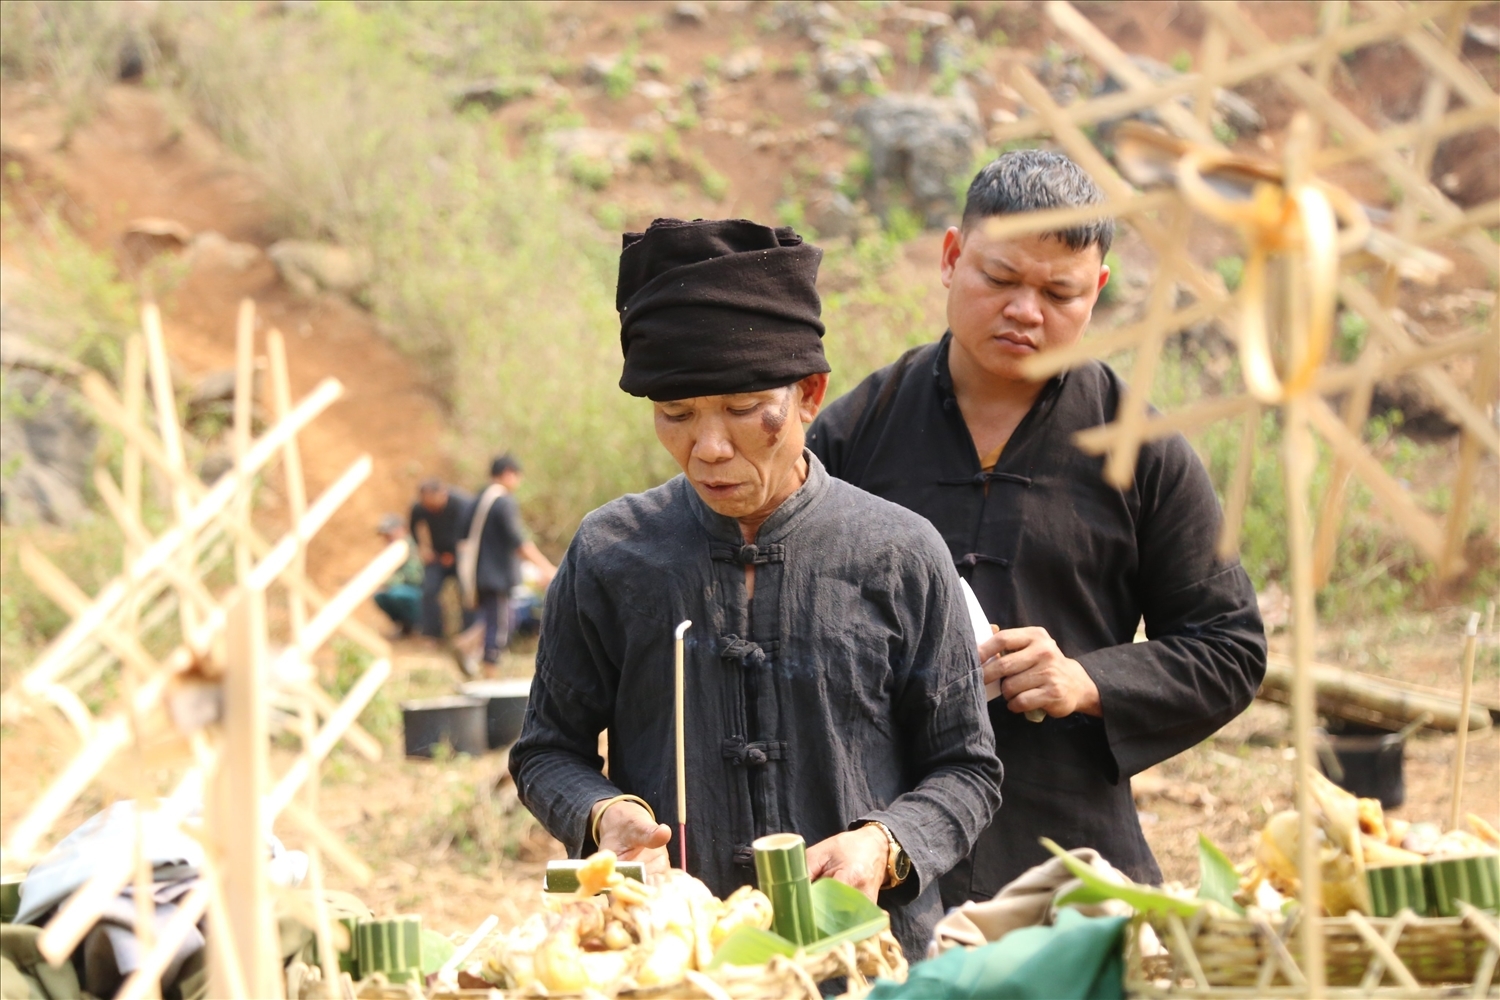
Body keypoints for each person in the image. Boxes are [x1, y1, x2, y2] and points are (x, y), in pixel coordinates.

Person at [510, 218, 1003, 960]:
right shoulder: (612, 554)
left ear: (809, 394)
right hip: (680, 963)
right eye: (676, 415)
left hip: (866, 963)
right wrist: (603, 815)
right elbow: (547, 750)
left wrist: (883, 844)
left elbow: (967, 768)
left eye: (743, 410)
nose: (707, 447)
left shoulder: (901, 552)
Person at [807, 150, 1267, 907]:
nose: (1026, 310)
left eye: (1059, 291)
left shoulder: (1144, 450)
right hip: (884, 855)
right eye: (1001, 279)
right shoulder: (856, 433)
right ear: (952, 258)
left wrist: (1088, 681)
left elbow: (1230, 647)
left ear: (1098, 293)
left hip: (1071, 860)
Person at [453, 454, 558, 674]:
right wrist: (546, 568)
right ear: (509, 473)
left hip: (476, 575)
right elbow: (519, 542)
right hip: (496, 576)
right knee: (499, 625)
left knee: (495, 618)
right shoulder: (503, 501)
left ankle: (464, 645)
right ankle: (489, 673)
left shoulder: (476, 500)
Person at [408, 478, 474, 641]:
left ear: (442, 493)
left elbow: (472, 531)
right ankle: (432, 633)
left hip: (462, 558)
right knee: (429, 591)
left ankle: (468, 634)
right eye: (426, 503)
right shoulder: (420, 508)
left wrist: (456, 554)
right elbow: (413, 527)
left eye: (432, 502)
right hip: (437, 557)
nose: (430, 507)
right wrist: (423, 548)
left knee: (468, 593)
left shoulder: (462, 503)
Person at [372, 513, 423, 637]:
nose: (386, 537)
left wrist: (387, 583)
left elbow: (415, 577)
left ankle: (419, 627)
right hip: (402, 589)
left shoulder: (410, 547)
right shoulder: (393, 550)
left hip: (418, 591)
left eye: (389, 533)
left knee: (397, 594)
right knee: (380, 596)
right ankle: (405, 627)